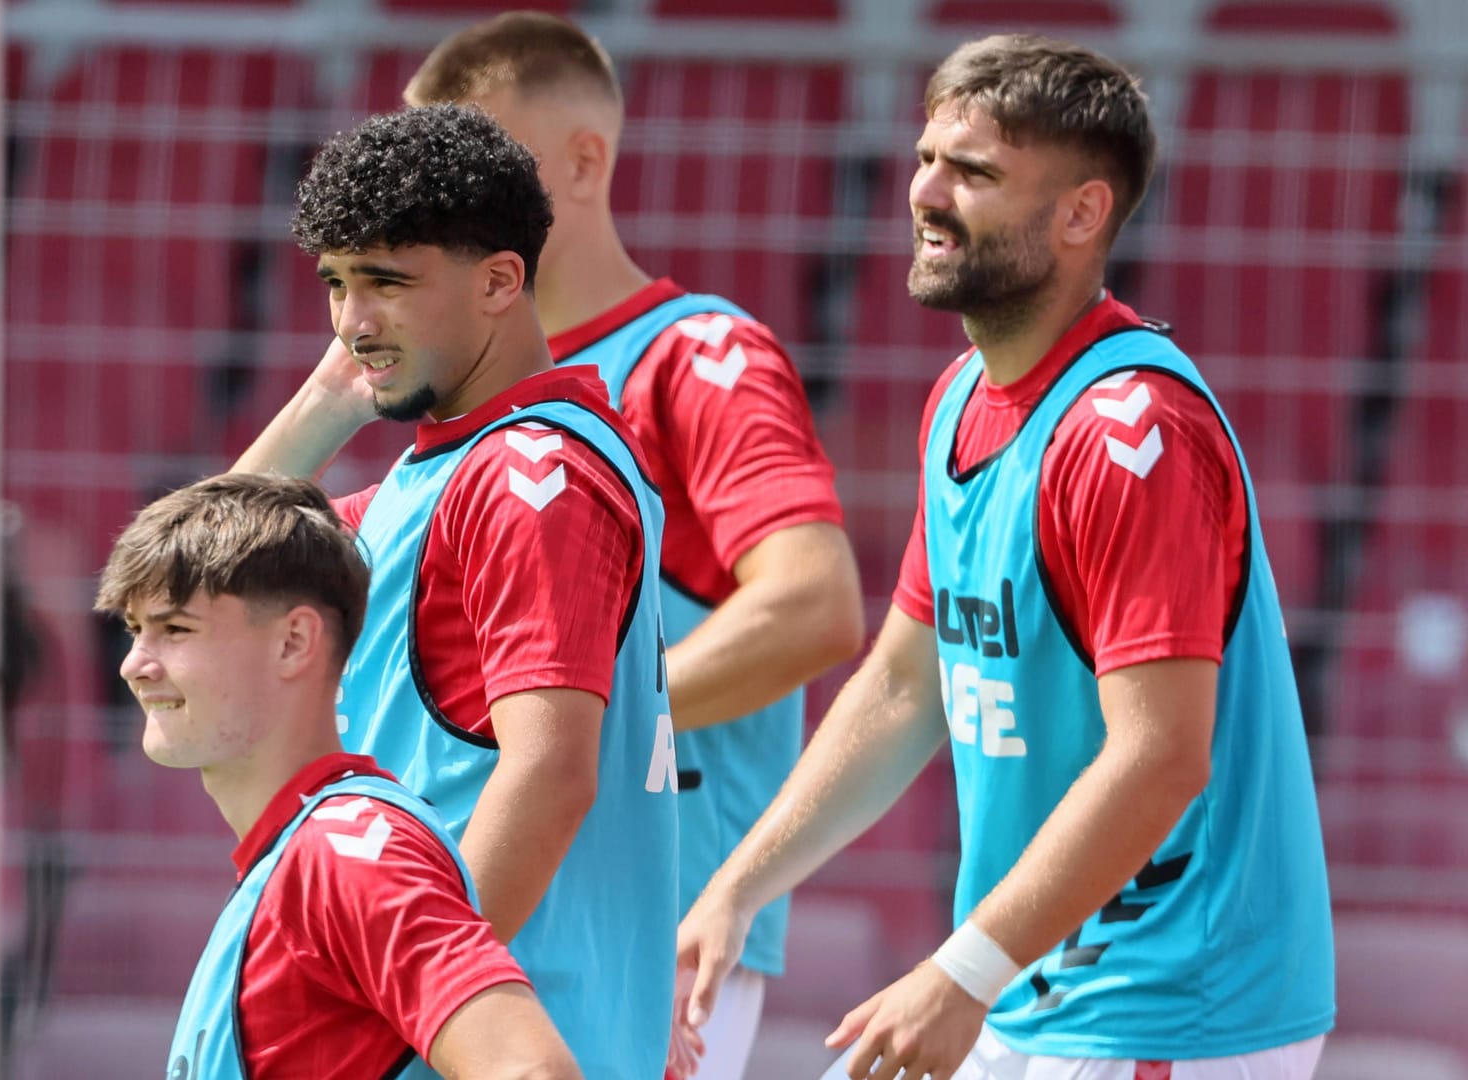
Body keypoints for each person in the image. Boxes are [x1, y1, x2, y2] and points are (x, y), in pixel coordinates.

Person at [676, 33, 1335, 1080]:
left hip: (1168, 1002)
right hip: (1035, 984)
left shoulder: (1130, 436)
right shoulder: (960, 399)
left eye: (973, 173)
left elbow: (1162, 754)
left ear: (1082, 215)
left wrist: (962, 970)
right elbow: (901, 687)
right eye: (927, 157)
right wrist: (737, 885)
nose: (926, 194)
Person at [403, 17, 866, 1077]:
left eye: (477, 163)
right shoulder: (465, 396)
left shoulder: (697, 355)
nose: (444, 205)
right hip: (503, 895)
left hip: (652, 926)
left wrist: (569, 724)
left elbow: (812, 604)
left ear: (583, 160)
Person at [231, 104, 679, 1080]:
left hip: (495, 1044)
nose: (354, 321)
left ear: (500, 281)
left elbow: (551, 772)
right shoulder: (439, 476)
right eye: (337, 286)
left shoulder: (529, 480)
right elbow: (209, 584)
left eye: (388, 283)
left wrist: (416, 1011)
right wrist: (328, 398)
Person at [96, 473, 582, 1080]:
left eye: (175, 629)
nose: (134, 665)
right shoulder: (301, 857)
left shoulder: (345, 854)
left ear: (294, 641)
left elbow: (533, 1070)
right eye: (135, 630)